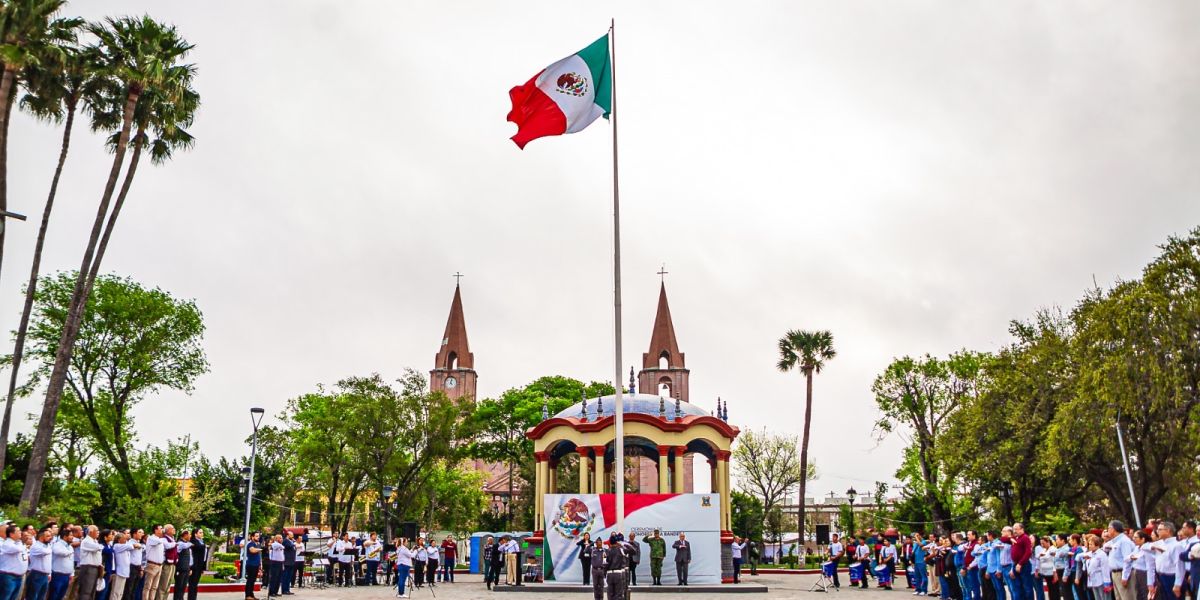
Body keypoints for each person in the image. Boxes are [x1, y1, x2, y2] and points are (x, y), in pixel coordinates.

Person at [1149, 522, 1181, 600]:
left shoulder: (1176, 545)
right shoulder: (1159, 544)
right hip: (1161, 577)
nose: (1157, 531)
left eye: (1160, 529)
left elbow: (1180, 566)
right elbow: (1145, 547)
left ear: (1168, 531)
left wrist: (1177, 584)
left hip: (1171, 578)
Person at [1105, 521, 1137, 600]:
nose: (1107, 530)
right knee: (1119, 597)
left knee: (1127, 597)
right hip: (1115, 574)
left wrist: (1125, 577)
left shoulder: (1124, 541)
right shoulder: (1114, 541)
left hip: (1122, 573)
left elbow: (1128, 560)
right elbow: (1105, 547)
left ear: (1113, 529)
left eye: (1108, 528)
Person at [77, 526, 104, 600]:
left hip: (96, 567)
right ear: (90, 532)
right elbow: (98, 547)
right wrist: (100, 546)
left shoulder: (94, 541)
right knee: (86, 590)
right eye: (97, 530)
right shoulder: (86, 541)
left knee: (92, 591)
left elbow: (99, 547)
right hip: (88, 568)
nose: (98, 532)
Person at [1083, 534, 1112, 600]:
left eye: (1091, 544)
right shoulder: (1090, 554)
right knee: (1097, 598)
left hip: (1101, 580)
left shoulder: (1101, 554)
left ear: (1097, 545)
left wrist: (1107, 583)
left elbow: (1105, 569)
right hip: (1093, 580)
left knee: (1104, 598)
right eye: (1089, 544)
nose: (1089, 546)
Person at [28, 527, 55, 600]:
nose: (50, 538)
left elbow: (48, 560)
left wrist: (49, 573)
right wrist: (51, 548)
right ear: (41, 537)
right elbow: (46, 552)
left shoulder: (48, 546)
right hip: (36, 574)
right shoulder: (36, 546)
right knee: (33, 596)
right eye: (48, 536)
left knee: (42, 597)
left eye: (50, 536)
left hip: (45, 575)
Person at [51, 528, 75, 600]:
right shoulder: (57, 544)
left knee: (61, 595)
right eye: (70, 535)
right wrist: (69, 552)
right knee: (54, 595)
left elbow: (71, 560)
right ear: (65, 536)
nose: (72, 537)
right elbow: (60, 553)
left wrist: (72, 573)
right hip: (58, 575)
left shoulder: (70, 546)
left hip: (67, 575)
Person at [156, 526, 178, 600]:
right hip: (166, 564)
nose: (174, 529)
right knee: (163, 585)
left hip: (172, 564)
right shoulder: (164, 538)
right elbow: (168, 546)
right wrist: (175, 543)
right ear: (167, 530)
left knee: (168, 585)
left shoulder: (172, 539)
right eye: (172, 528)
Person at [186, 530, 205, 600]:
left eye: (202, 532)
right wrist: (190, 567)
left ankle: (194, 598)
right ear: (195, 534)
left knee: (195, 584)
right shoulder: (193, 541)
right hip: (194, 566)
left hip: (199, 566)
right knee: (192, 584)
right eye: (200, 532)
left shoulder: (202, 541)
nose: (202, 534)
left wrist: (203, 567)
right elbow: (193, 553)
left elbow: (204, 555)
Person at [243, 533, 262, 600]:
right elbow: (252, 550)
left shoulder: (258, 544)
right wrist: (261, 549)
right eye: (256, 536)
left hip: (256, 564)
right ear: (252, 537)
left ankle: (251, 595)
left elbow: (259, 555)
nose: (258, 537)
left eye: (258, 536)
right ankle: (247, 596)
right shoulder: (250, 544)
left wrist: (260, 565)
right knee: (250, 580)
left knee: (253, 581)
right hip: (251, 565)